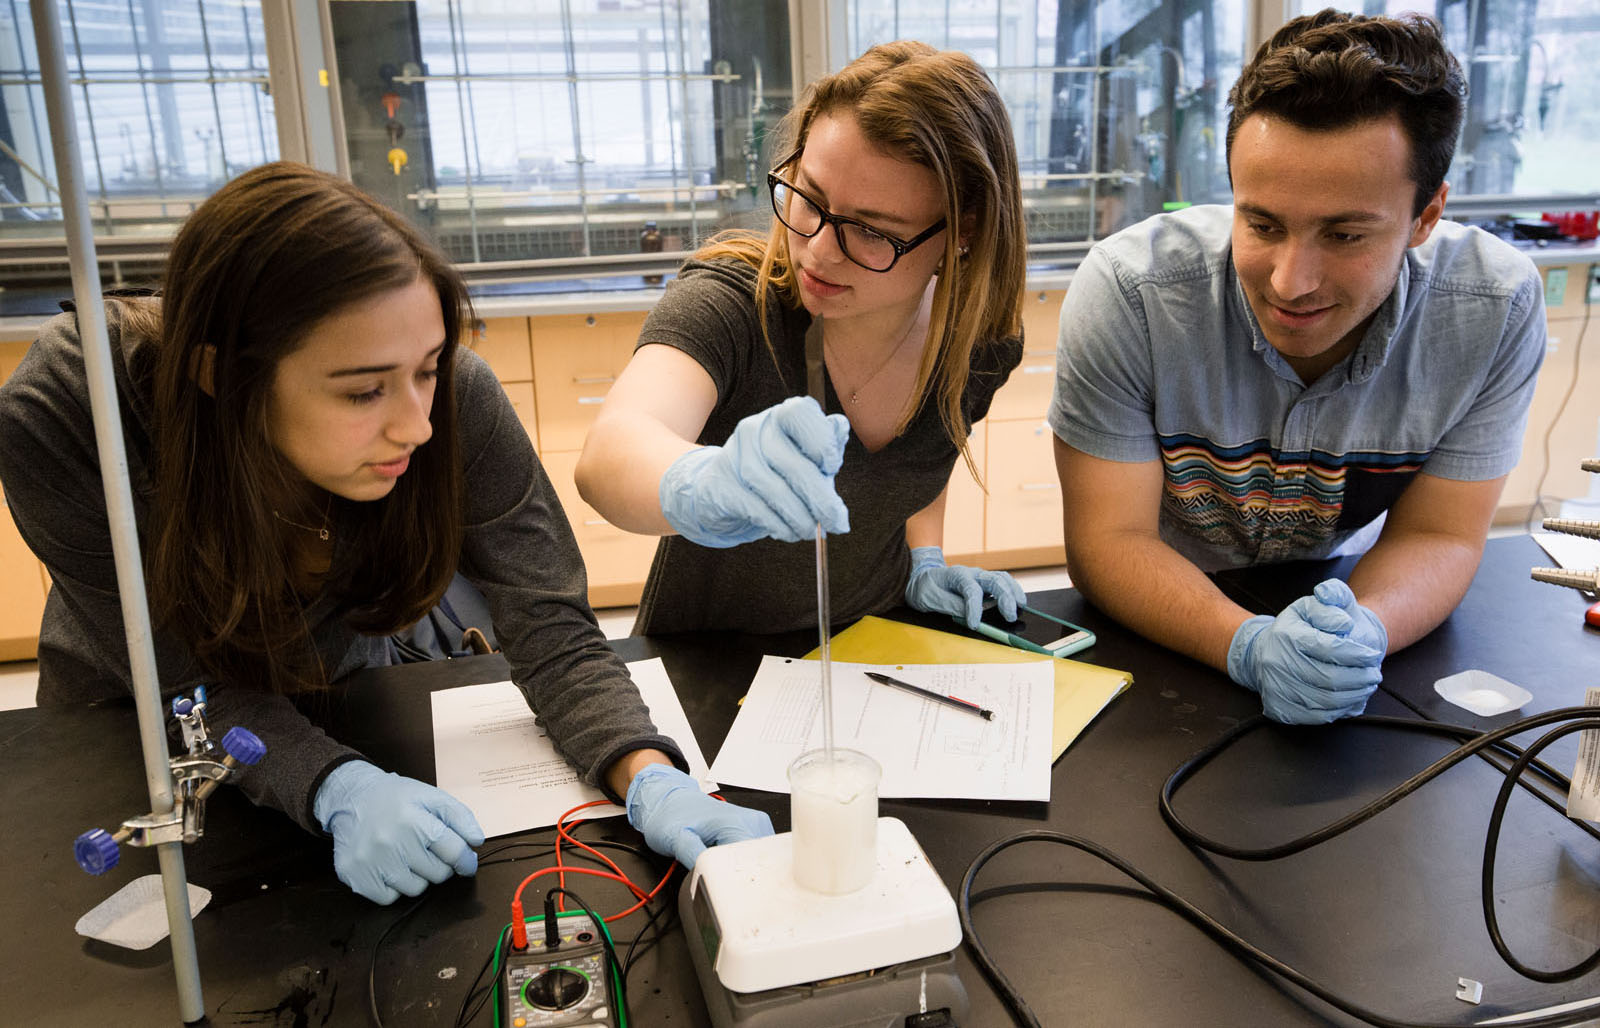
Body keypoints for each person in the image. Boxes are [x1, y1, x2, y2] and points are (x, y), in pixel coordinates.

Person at [0, 163, 770, 905]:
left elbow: (548, 623)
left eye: (428, 367)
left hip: (338, 690)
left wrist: (647, 773)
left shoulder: (454, 395)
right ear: (219, 374)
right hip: (132, 722)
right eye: (364, 390)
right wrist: (337, 787)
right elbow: (180, 692)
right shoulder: (74, 418)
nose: (419, 423)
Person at [1049, 11, 1546, 725]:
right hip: (1156, 624)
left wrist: (1367, 629)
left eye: (1344, 234)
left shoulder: (1491, 310)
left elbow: (1438, 535)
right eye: (1263, 224)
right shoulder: (1134, 295)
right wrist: (1246, 645)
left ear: (1426, 215)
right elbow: (1109, 541)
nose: (1290, 282)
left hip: (1337, 593)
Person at [576, 41, 1029, 635]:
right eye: (808, 197)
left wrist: (925, 558)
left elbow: (927, 454)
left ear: (963, 230)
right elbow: (609, 454)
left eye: (870, 231)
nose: (817, 249)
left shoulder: (979, 342)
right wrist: (705, 484)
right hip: (709, 668)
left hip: (874, 648)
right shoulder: (735, 302)